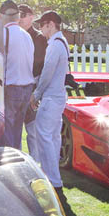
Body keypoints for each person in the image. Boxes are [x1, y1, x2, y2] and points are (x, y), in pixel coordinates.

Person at [30, 10, 68, 197]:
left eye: (41, 25)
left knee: (44, 136)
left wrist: (36, 94)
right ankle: (53, 179)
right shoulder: (61, 42)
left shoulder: (55, 45)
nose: (40, 29)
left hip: (52, 97)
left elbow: (47, 73)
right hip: (57, 96)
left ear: (50, 24)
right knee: (52, 138)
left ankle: (51, 180)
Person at [0, 0, 35, 149]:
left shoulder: (3, 33)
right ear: (18, 17)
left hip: (11, 86)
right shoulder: (27, 35)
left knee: (6, 130)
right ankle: (17, 161)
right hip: (26, 87)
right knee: (17, 130)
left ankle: (8, 165)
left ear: (1, 16)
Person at [19, 4, 47, 158]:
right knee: (13, 130)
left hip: (33, 89)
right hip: (14, 89)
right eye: (18, 14)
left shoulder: (39, 38)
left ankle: (35, 163)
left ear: (31, 16)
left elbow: (42, 67)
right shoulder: (11, 35)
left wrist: (36, 92)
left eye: (24, 14)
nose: (20, 18)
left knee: (33, 131)